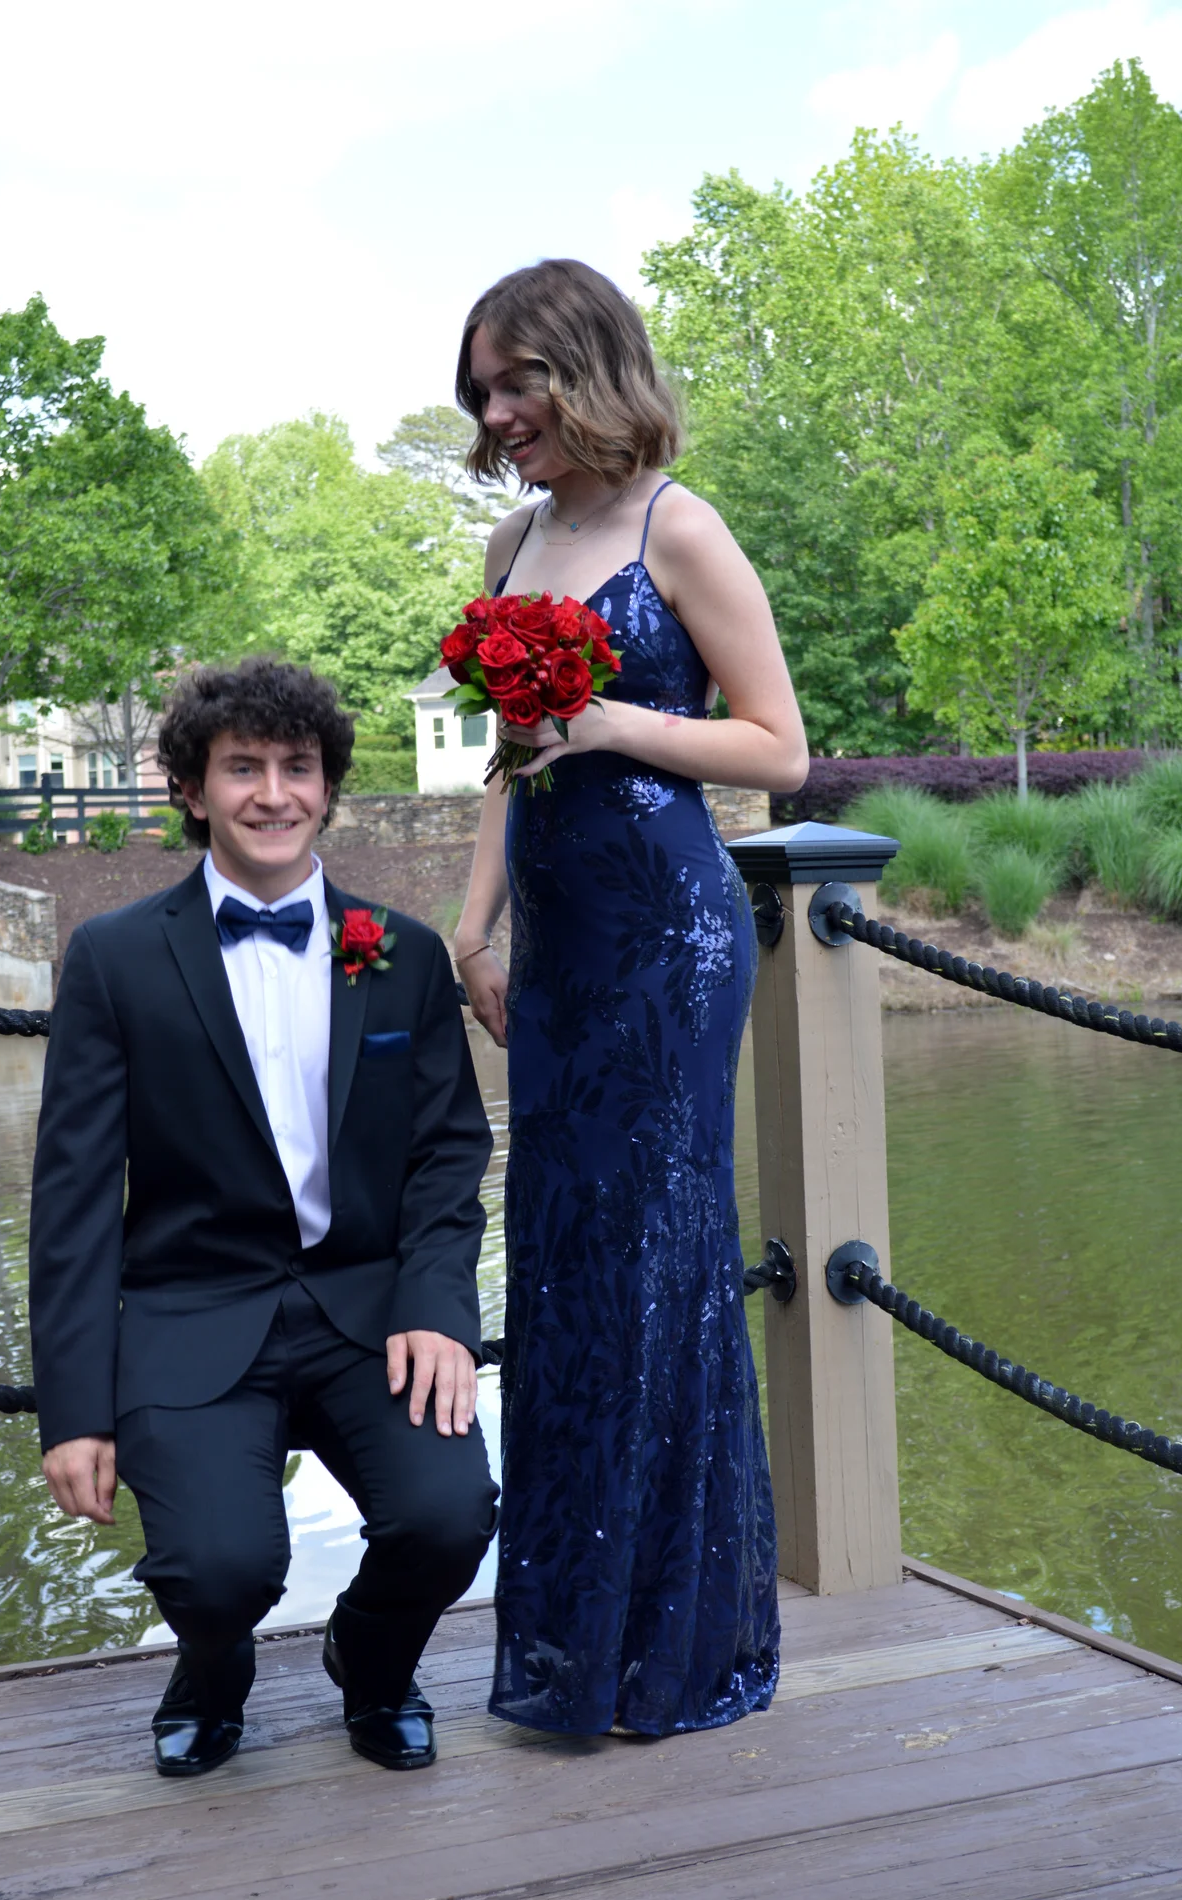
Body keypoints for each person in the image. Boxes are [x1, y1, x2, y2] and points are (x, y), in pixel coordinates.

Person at [453, 259, 809, 1738]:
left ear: (587, 369)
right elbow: (507, 757)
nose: (495, 414)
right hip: (556, 947)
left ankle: (671, 1644)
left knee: (658, 1257)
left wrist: (606, 719)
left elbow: (779, 749)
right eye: (481, 390)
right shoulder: (512, 540)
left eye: (516, 382)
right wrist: (476, 926)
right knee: (560, 1263)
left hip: (669, 940)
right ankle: (567, 1645)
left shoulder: (681, 528)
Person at [29, 658, 498, 1778]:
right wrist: (72, 1411)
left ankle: (372, 1663)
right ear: (191, 789)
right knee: (218, 1569)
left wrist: (438, 1310)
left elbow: (447, 1154)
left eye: (298, 767)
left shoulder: (401, 952)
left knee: (449, 1516)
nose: (274, 794)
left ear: (328, 787)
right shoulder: (115, 958)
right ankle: (211, 1666)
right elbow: (74, 1198)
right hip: (189, 1313)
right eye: (243, 768)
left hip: (369, 1309)